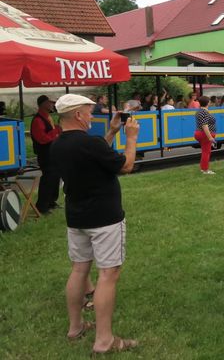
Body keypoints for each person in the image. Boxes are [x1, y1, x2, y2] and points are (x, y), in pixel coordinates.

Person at [50, 94, 139, 354]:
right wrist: (131, 138)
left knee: (79, 270)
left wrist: (112, 131)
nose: (92, 115)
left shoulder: (58, 145)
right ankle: (104, 341)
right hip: (104, 218)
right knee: (108, 275)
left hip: (77, 217)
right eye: (89, 111)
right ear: (78, 115)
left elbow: (96, 155)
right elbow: (126, 166)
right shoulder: (89, 143)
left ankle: (75, 327)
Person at [30, 95, 61, 214]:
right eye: (50, 102)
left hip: (53, 152)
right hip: (45, 154)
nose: (53, 105)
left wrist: (57, 129)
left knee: (55, 177)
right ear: (43, 104)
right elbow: (42, 139)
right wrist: (56, 130)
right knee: (48, 179)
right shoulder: (38, 120)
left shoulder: (48, 117)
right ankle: (42, 206)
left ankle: (51, 202)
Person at [194, 96, 217, 174]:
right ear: (208, 102)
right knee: (206, 152)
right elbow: (204, 125)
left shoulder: (200, 111)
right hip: (204, 134)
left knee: (205, 151)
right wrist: (210, 137)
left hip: (201, 133)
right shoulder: (204, 112)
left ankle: (203, 168)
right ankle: (205, 170)